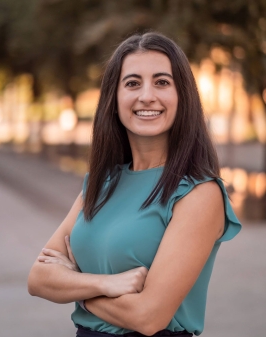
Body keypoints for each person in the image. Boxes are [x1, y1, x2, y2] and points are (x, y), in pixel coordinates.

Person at [27, 32, 242, 337]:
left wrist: (74, 281)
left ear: (183, 96)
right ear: (114, 100)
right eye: (132, 83)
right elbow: (38, 278)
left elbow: (148, 317)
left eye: (162, 82)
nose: (146, 96)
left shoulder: (199, 194)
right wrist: (104, 283)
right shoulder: (100, 184)